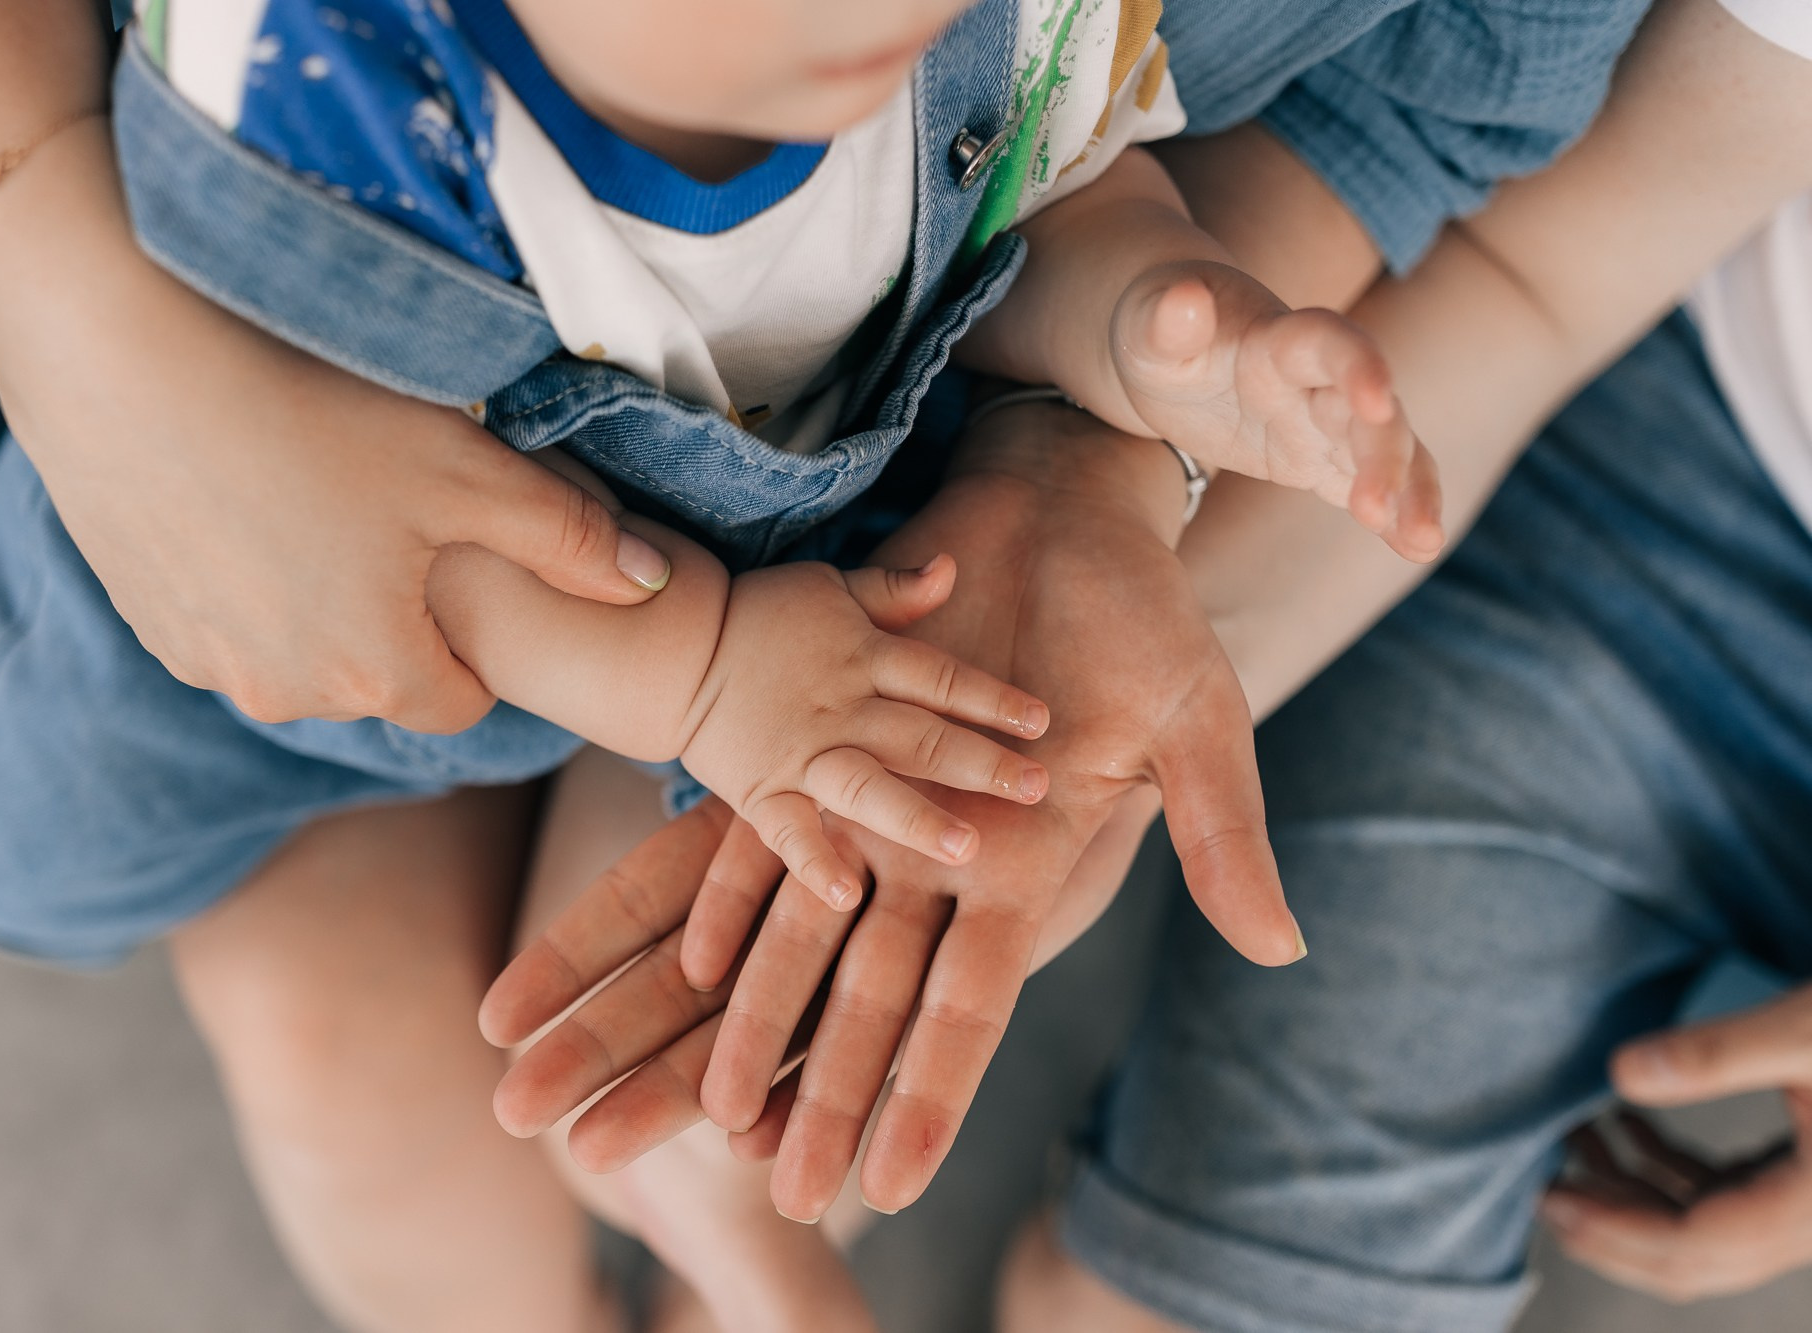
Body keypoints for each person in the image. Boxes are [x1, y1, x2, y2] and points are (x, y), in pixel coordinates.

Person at [0, 1, 1647, 1331]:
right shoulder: (316, 107)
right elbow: (378, 536)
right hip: (325, 655)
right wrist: (703, 681)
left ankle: (740, 1256)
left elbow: (1027, 194)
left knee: (793, 1000)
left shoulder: (880, 30)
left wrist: (1160, 339)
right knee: (380, 1094)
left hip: (789, 549)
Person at [493, 1, 1812, 1329]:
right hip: (1659, 428)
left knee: (734, 1104)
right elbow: (1526, 269)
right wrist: (1095, 462)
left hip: (1415, 333)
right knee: (700, 1115)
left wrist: (1113, 449)